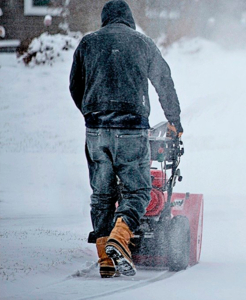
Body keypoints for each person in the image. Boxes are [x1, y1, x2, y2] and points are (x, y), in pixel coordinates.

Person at [69, 0, 183, 278]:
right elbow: (163, 80)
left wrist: (91, 113)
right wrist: (174, 120)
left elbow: (75, 85)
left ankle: (105, 259)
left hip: (96, 130)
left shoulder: (88, 43)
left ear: (105, 20)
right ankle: (119, 239)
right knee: (137, 192)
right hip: (131, 128)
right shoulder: (142, 43)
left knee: (103, 195)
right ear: (129, 20)